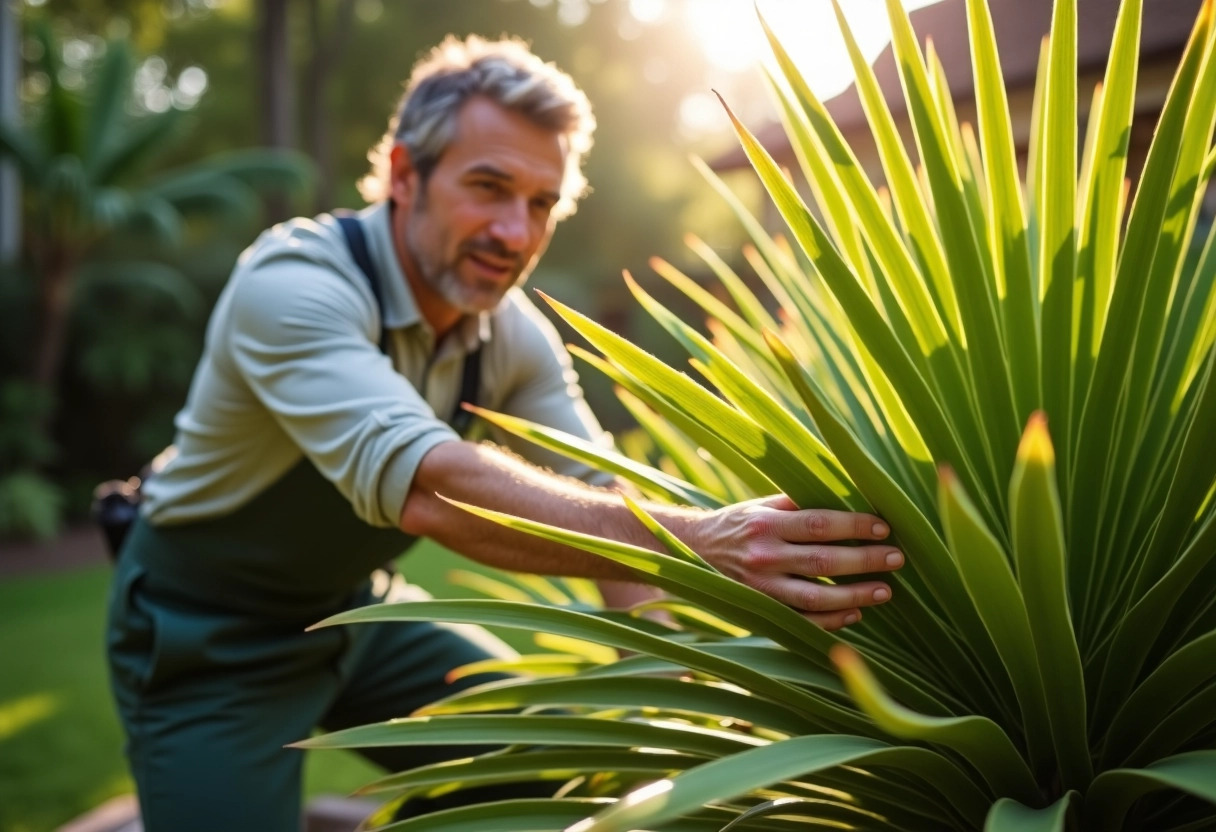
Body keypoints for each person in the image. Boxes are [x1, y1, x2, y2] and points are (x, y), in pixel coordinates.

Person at [105, 34, 903, 831]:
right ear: (405, 175)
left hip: (356, 612)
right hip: (205, 631)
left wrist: (672, 696)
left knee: (542, 788)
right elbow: (432, 490)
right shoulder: (294, 286)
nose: (515, 235)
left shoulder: (510, 335)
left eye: (541, 203)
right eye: (488, 187)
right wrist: (704, 541)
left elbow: (603, 493)